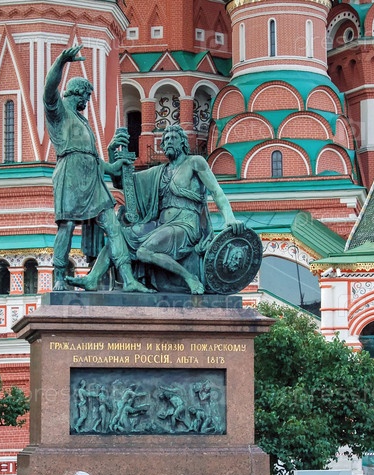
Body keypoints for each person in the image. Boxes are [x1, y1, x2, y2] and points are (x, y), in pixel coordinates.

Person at [67, 124, 244, 294]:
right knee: (118, 236)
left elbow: (217, 192)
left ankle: (190, 278)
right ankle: (93, 278)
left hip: (186, 225)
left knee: (144, 252)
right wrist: (112, 152)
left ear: (183, 142)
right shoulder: (159, 171)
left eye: (173, 138)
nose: (169, 141)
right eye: (166, 139)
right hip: (161, 224)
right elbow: (123, 182)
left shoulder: (195, 162)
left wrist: (230, 218)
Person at [44, 45, 151, 292]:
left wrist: (111, 167)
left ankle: (128, 279)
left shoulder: (83, 121)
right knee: (67, 225)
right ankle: (59, 276)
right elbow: (49, 91)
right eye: (86, 97)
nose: (87, 101)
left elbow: (92, 157)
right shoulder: (59, 113)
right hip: (70, 175)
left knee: (113, 226)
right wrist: (61, 61)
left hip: (92, 179)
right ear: (78, 93)